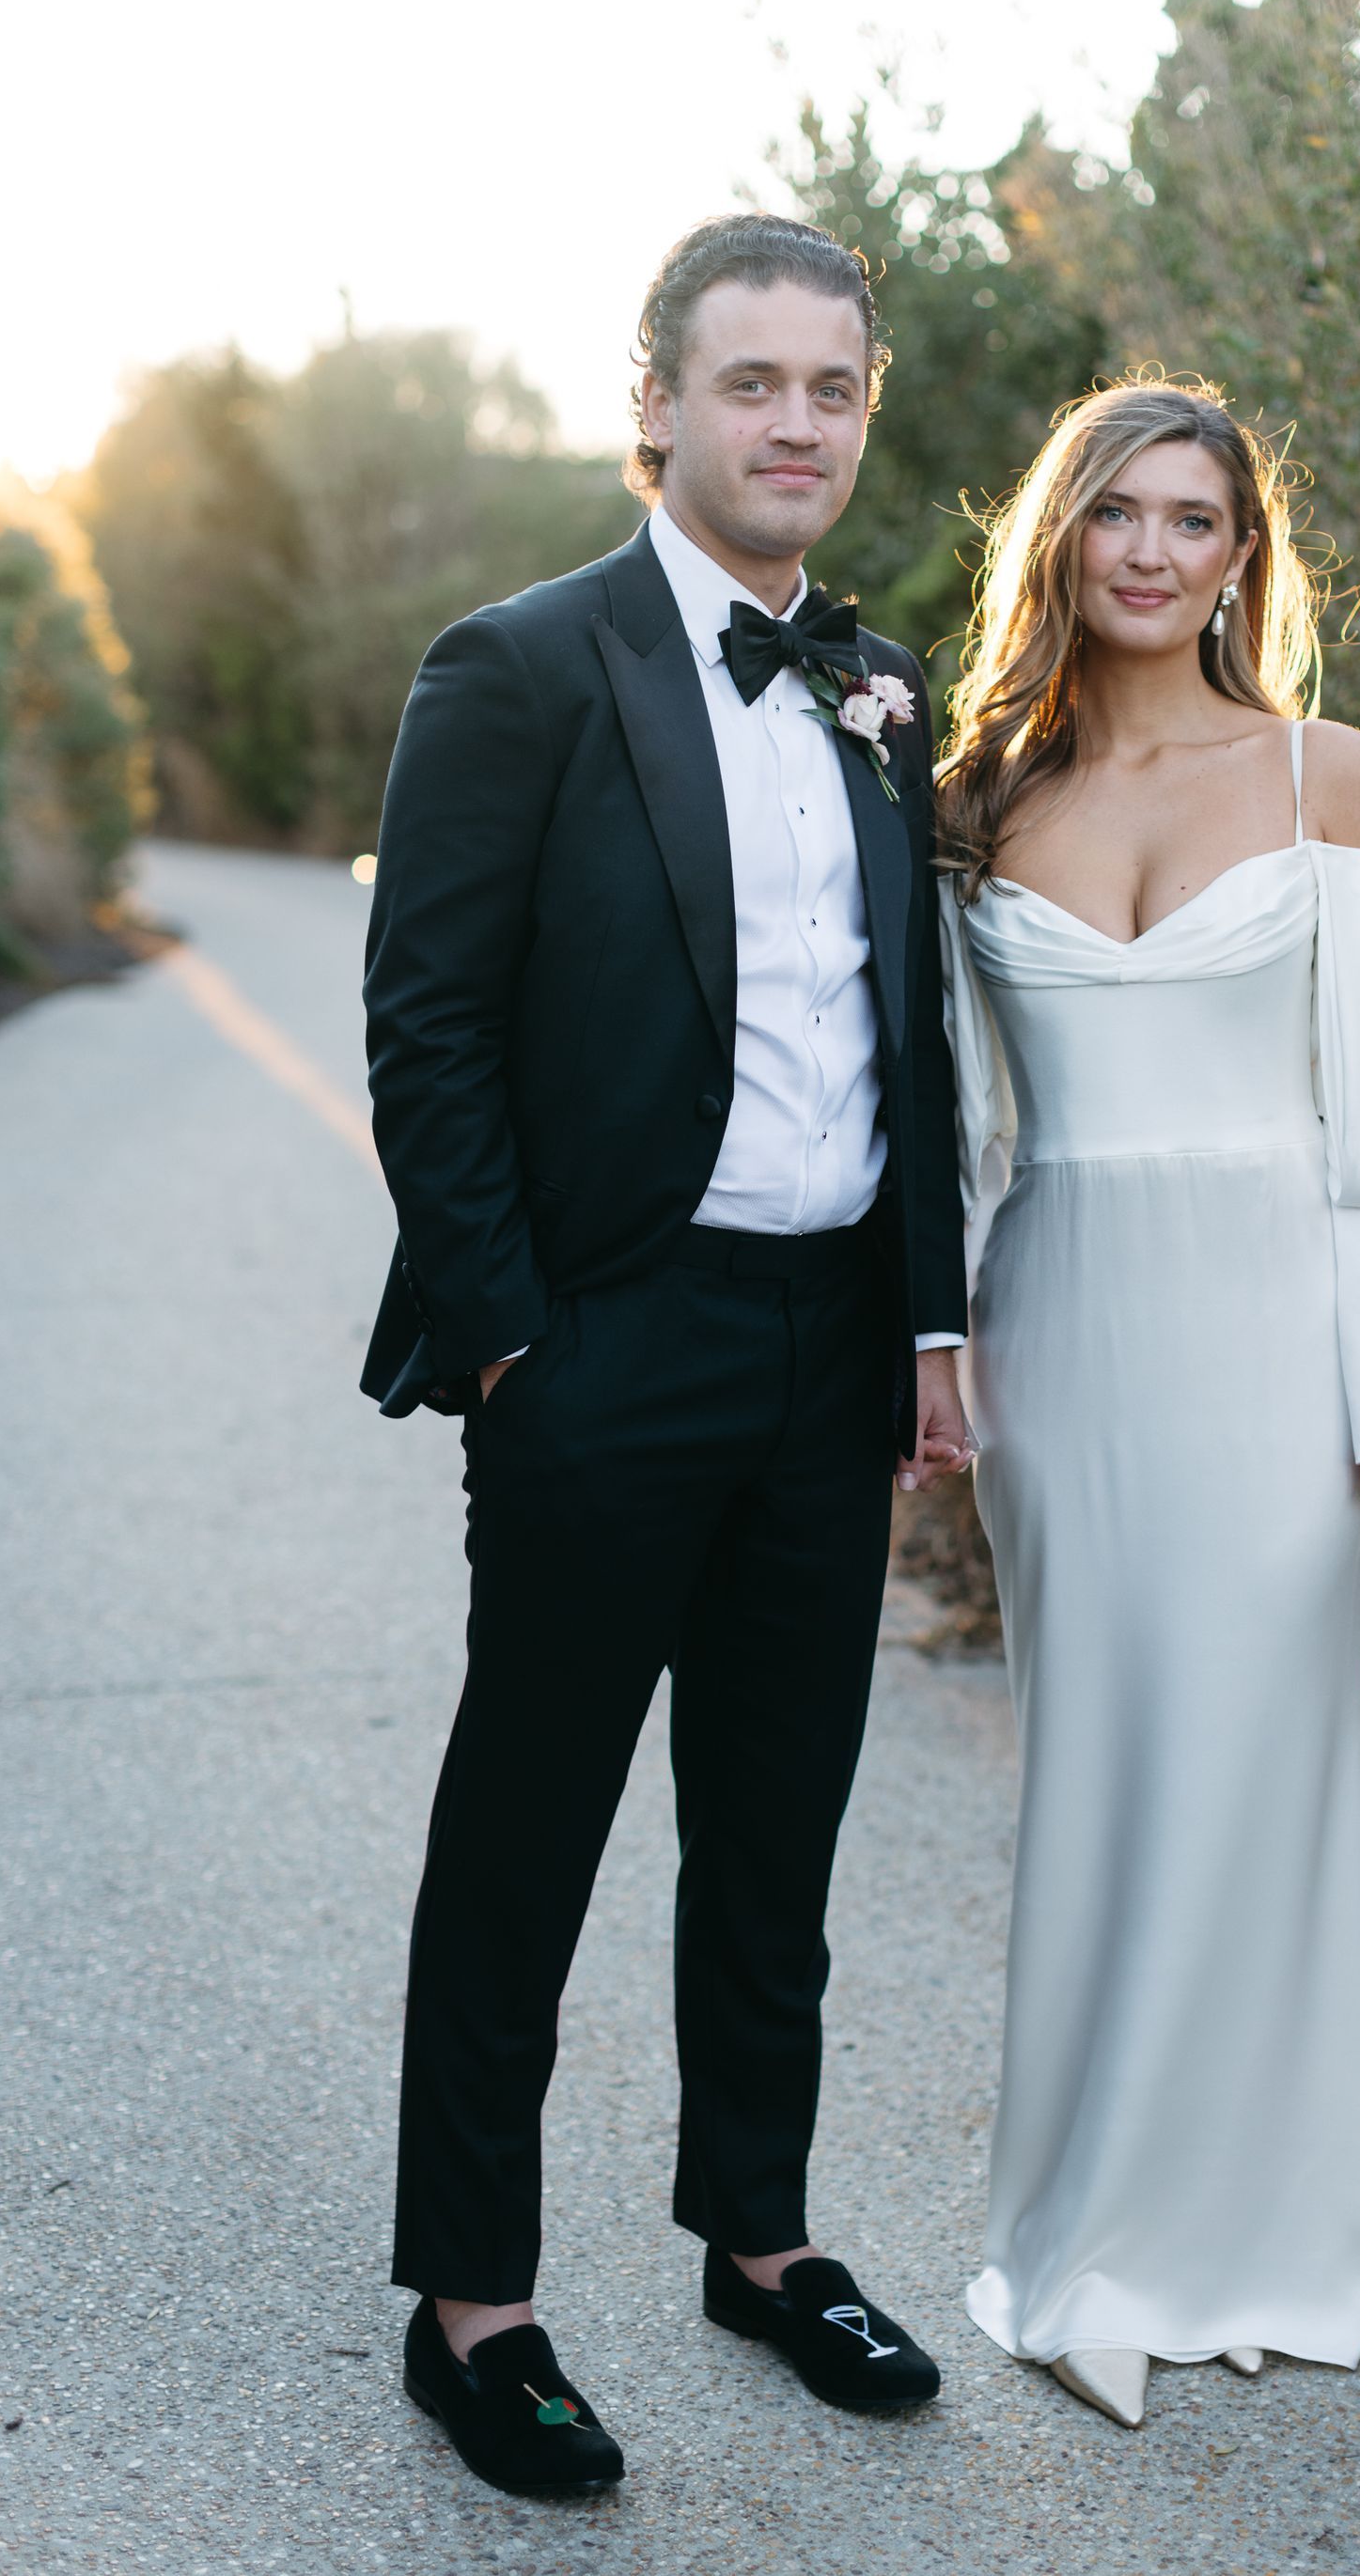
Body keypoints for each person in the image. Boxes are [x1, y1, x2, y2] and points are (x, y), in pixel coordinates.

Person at [360, 212, 971, 2495]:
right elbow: (423, 1025)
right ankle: (475, 2301)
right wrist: (517, 1334)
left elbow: (897, 1034)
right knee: (528, 1828)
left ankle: (760, 2238)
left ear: (863, 412)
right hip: (604, 1345)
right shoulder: (517, 666)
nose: (793, 423)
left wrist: (921, 1320)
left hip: (828, 1352)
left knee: (777, 1830)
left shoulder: (883, 686)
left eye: (831, 388)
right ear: (661, 405)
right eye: (751, 384)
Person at [936, 377, 1360, 2429]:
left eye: (1194, 519)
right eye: (1116, 515)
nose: (1153, 551)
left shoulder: (1331, 780)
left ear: (1245, 554)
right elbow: (968, 1136)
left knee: (1266, 1769)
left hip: (1278, 1339)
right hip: (1066, 1337)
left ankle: (1261, 2239)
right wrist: (941, 1363)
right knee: (1105, 1771)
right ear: (1060, 543)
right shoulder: (979, 797)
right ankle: (1087, 2242)